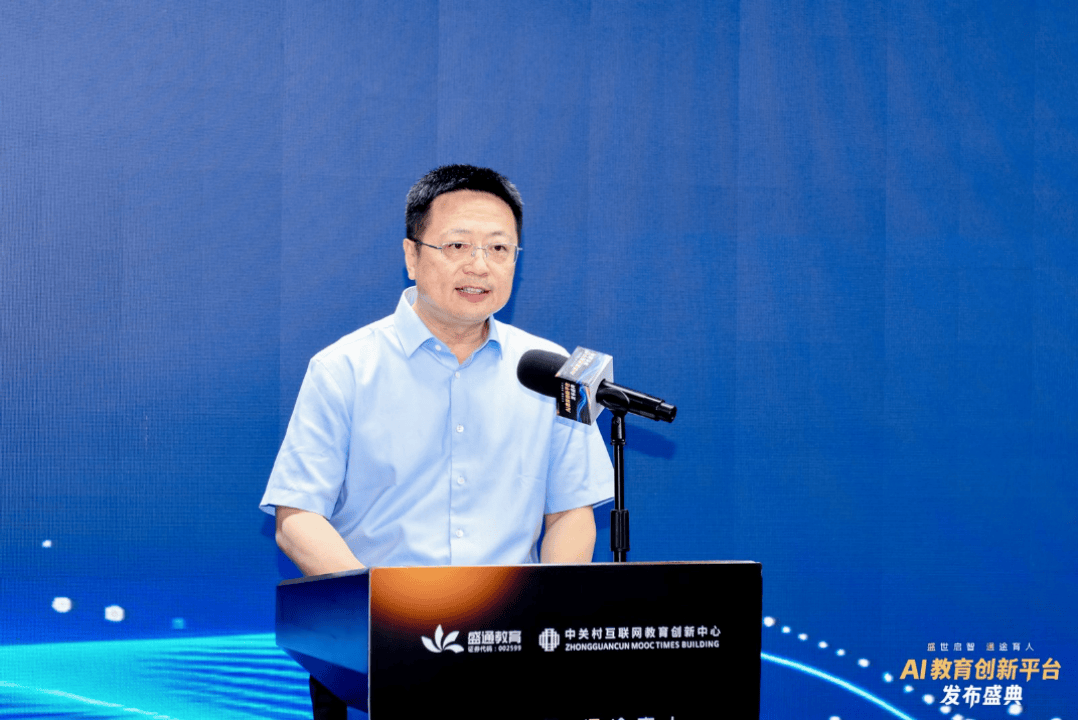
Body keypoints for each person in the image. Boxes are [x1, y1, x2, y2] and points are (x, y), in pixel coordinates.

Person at [260, 164, 614, 719]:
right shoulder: (343, 368)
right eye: (458, 245)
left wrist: (547, 624)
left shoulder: (553, 370)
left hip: (512, 652)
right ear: (412, 255)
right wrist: (377, 615)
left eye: (499, 248)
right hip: (376, 658)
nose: (480, 265)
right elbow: (297, 516)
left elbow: (571, 512)